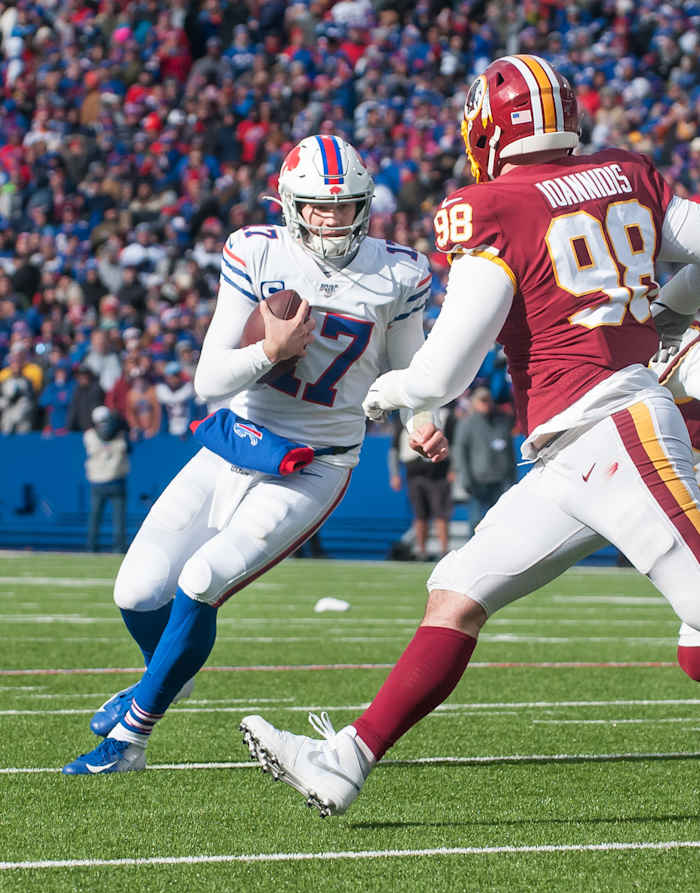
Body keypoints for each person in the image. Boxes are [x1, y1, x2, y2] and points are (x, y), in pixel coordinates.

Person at [240, 54, 700, 818]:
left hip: (612, 428)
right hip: (570, 449)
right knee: (457, 589)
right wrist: (670, 312)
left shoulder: (493, 203)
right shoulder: (626, 171)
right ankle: (345, 759)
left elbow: (445, 368)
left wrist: (389, 391)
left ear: (489, 123)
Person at [61, 134, 448, 774]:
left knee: (202, 579)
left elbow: (411, 367)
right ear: (290, 205)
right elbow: (209, 381)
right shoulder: (255, 250)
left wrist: (422, 419)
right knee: (135, 591)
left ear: (366, 204)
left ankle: (131, 737)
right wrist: (272, 350)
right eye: (318, 208)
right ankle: (169, 675)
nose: (331, 220)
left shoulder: (399, 272)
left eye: (345, 206)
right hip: (238, 440)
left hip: (316, 459)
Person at [389, 408, 453, 561]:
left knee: (441, 514)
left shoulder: (444, 415)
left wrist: (453, 468)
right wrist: (395, 474)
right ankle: (421, 550)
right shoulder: (403, 416)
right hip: (414, 472)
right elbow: (394, 448)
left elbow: (453, 442)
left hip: (438, 471)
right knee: (419, 514)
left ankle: (444, 551)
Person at [451, 385, 516, 533]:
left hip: (500, 479)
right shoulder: (466, 424)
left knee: (501, 521)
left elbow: (509, 449)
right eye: (482, 401)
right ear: (474, 403)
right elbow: (460, 451)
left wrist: (512, 475)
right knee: (476, 521)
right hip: (478, 481)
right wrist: (466, 478)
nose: (486, 404)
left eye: (488, 400)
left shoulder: (501, 420)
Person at [84, 406, 130, 553]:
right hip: (112, 479)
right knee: (114, 519)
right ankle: (116, 547)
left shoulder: (89, 435)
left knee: (101, 518)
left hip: (104, 480)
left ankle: (93, 547)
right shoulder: (120, 435)